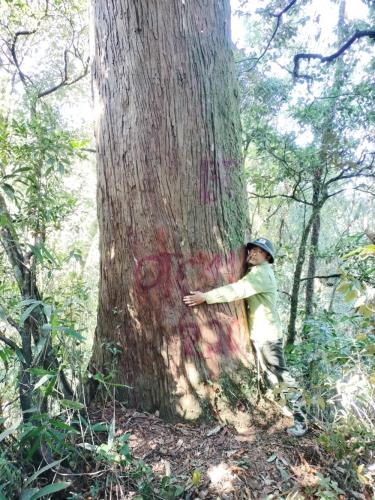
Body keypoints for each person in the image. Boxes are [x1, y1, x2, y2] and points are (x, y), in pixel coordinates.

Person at [182, 237, 308, 437]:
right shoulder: (257, 272)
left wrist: (205, 297)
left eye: (258, 251)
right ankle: (290, 410)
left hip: (268, 336)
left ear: (267, 256)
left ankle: (301, 419)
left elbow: (236, 290)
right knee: (273, 375)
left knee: (281, 376)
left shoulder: (261, 274)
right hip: (262, 335)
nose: (252, 253)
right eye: (252, 250)